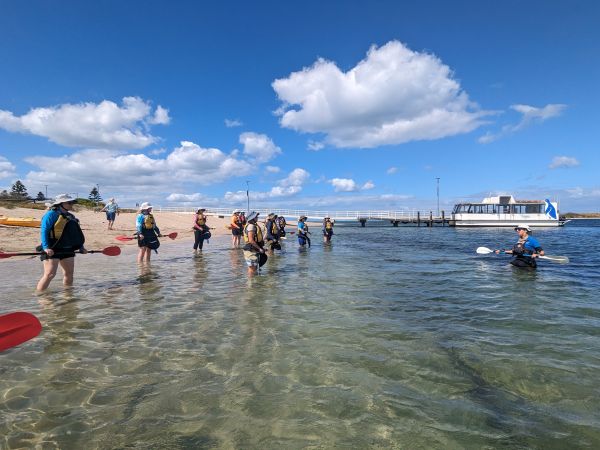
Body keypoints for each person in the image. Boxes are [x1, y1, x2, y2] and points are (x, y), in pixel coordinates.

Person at [36, 194, 87, 291]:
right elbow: (44, 231)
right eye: (69, 202)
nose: (71, 204)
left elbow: (76, 234)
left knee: (69, 274)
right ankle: (40, 297)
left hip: (68, 249)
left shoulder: (71, 216)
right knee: (50, 274)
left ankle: (68, 296)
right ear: (60, 203)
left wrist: (81, 247)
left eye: (72, 202)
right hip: (52, 248)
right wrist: (46, 247)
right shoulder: (51, 214)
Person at [242, 211, 266, 275]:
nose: (257, 218)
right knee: (252, 269)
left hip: (254, 249)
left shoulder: (253, 225)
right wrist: (260, 249)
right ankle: (251, 283)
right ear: (252, 218)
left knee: (254, 268)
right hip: (250, 250)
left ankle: (253, 283)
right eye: (256, 217)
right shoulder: (251, 227)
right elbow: (251, 240)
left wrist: (261, 248)